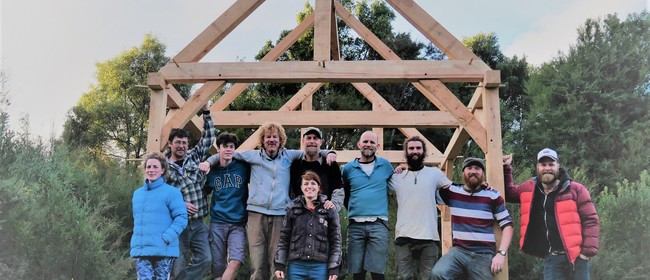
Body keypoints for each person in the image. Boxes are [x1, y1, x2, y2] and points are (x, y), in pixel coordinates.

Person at [199, 122, 336, 280]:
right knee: (257, 264)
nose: (272, 140)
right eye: (268, 137)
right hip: (256, 214)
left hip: (279, 214)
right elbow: (226, 153)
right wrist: (209, 162)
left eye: (275, 137)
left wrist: (329, 152)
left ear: (280, 140)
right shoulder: (253, 156)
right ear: (263, 140)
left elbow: (311, 150)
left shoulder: (289, 156)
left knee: (276, 261)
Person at [503, 149, 599, 280]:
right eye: (543, 165)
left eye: (551, 164)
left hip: (577, 258)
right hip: (552, 259)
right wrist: (506, 167)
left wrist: (586, 253)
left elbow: (591, 220)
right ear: (537, 167)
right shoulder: (529, 189)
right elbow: (509, 193)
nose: (547, 168)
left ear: (558, 166)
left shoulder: (576, 189)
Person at [431, 157, 514, 280]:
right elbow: (426, 188)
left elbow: (508, 225)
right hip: (459, 251)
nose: (473, 171)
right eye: (469, 168)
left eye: (477, 168)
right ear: (463, 172)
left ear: (483, 173)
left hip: (483, 253)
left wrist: (501, 253)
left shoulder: (492, 195)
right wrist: (408, 169)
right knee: (438, 274)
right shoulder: (453, 192)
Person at [389, 136, 452, 280]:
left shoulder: (435, 173)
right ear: (406, 152)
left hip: (429, 237)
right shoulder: (396, 177)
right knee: (403, 278)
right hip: (404, 236)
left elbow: (455, 190)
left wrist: (480, 188)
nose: (415, 151)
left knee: (430, 278)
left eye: (418, 148)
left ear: (424, 151)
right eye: (411, 148)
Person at [167, 104, 216, 280]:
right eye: (178, 142)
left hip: (198, 223)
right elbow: (157, 196)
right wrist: (179, 205)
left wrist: (206, 113)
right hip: (176, 223)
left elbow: (208, 138)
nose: (181, 146)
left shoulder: (194, 157)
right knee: (177, 263)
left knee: (206, 259)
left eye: (184, 143)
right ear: (170, 144)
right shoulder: (162, 167)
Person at [341, 131, 394, 280]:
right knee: (357, 272)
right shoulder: (348, 168)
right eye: (365, 142)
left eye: (372, 142)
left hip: (379, 224)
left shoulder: (385, 166)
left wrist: (400, 169)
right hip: (355, 225)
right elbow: (345, 192)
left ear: (377, 146)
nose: (368, 145)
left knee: (378, 272)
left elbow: (396, 183)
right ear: (359, 144)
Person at [274, 171, 342, 280]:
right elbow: (284, 239)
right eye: (306, 184)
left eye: (313, 183)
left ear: (319, 188)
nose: (309, 186)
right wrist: (280, 265)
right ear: (301, 188)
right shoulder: (292, 209)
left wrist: (334, 267)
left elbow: (336, 242)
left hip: (321, 266)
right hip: (296, 266)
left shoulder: (329, 210)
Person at [131, 152, 188, 280]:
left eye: (155, 167)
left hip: (164, 250)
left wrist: (167, 238)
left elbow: (182, 218)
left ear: (162, 170)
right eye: (149, 167)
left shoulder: (172, 193)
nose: (151, 170)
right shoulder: (137, 194)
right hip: (142, 250)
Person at [204, 132, 250, 280]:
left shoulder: (243, 167)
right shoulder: (212, 171)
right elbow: (202, 192)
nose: (228, 149)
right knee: (218, 267)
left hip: (238, 223)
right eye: (225, 146)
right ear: (218, 149)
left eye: (232, 147)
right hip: (217, 222)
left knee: (236, 260)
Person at [289, 127, 344, 212]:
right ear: (303, 141)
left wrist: (333, 207)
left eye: (315, 138)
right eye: (308, 138)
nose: (312, 141)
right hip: (299, 216)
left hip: (324, 216)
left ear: (320, 142)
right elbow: (291, 191)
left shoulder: (331, 165)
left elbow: (338, 189)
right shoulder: (295, 164)